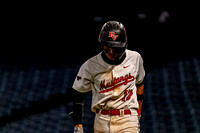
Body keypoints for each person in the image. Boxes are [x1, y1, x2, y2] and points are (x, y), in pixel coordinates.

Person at [70, 21, 145, 133]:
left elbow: (140, 84)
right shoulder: (90, 65)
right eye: (108, 47)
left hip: (127, 118)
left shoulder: (135, 58)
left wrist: (138, 113)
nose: (111, 51)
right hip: (102, 119)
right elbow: (78, 94)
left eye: (116, 48)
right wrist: (78, 125)